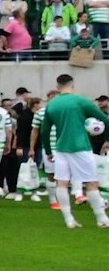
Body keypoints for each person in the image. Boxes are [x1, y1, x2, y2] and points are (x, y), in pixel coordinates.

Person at [33, 74, 109, 228]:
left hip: (61, 147)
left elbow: (44, 130)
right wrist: (107, 139)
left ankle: (68, 219)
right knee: (91, 182)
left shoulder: (52, 105)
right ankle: (101, 219)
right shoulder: (80, 101)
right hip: (80, 146)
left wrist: (48, 150)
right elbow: (105, 120)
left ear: (58, 86)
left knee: (61, 182)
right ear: (72, 85)